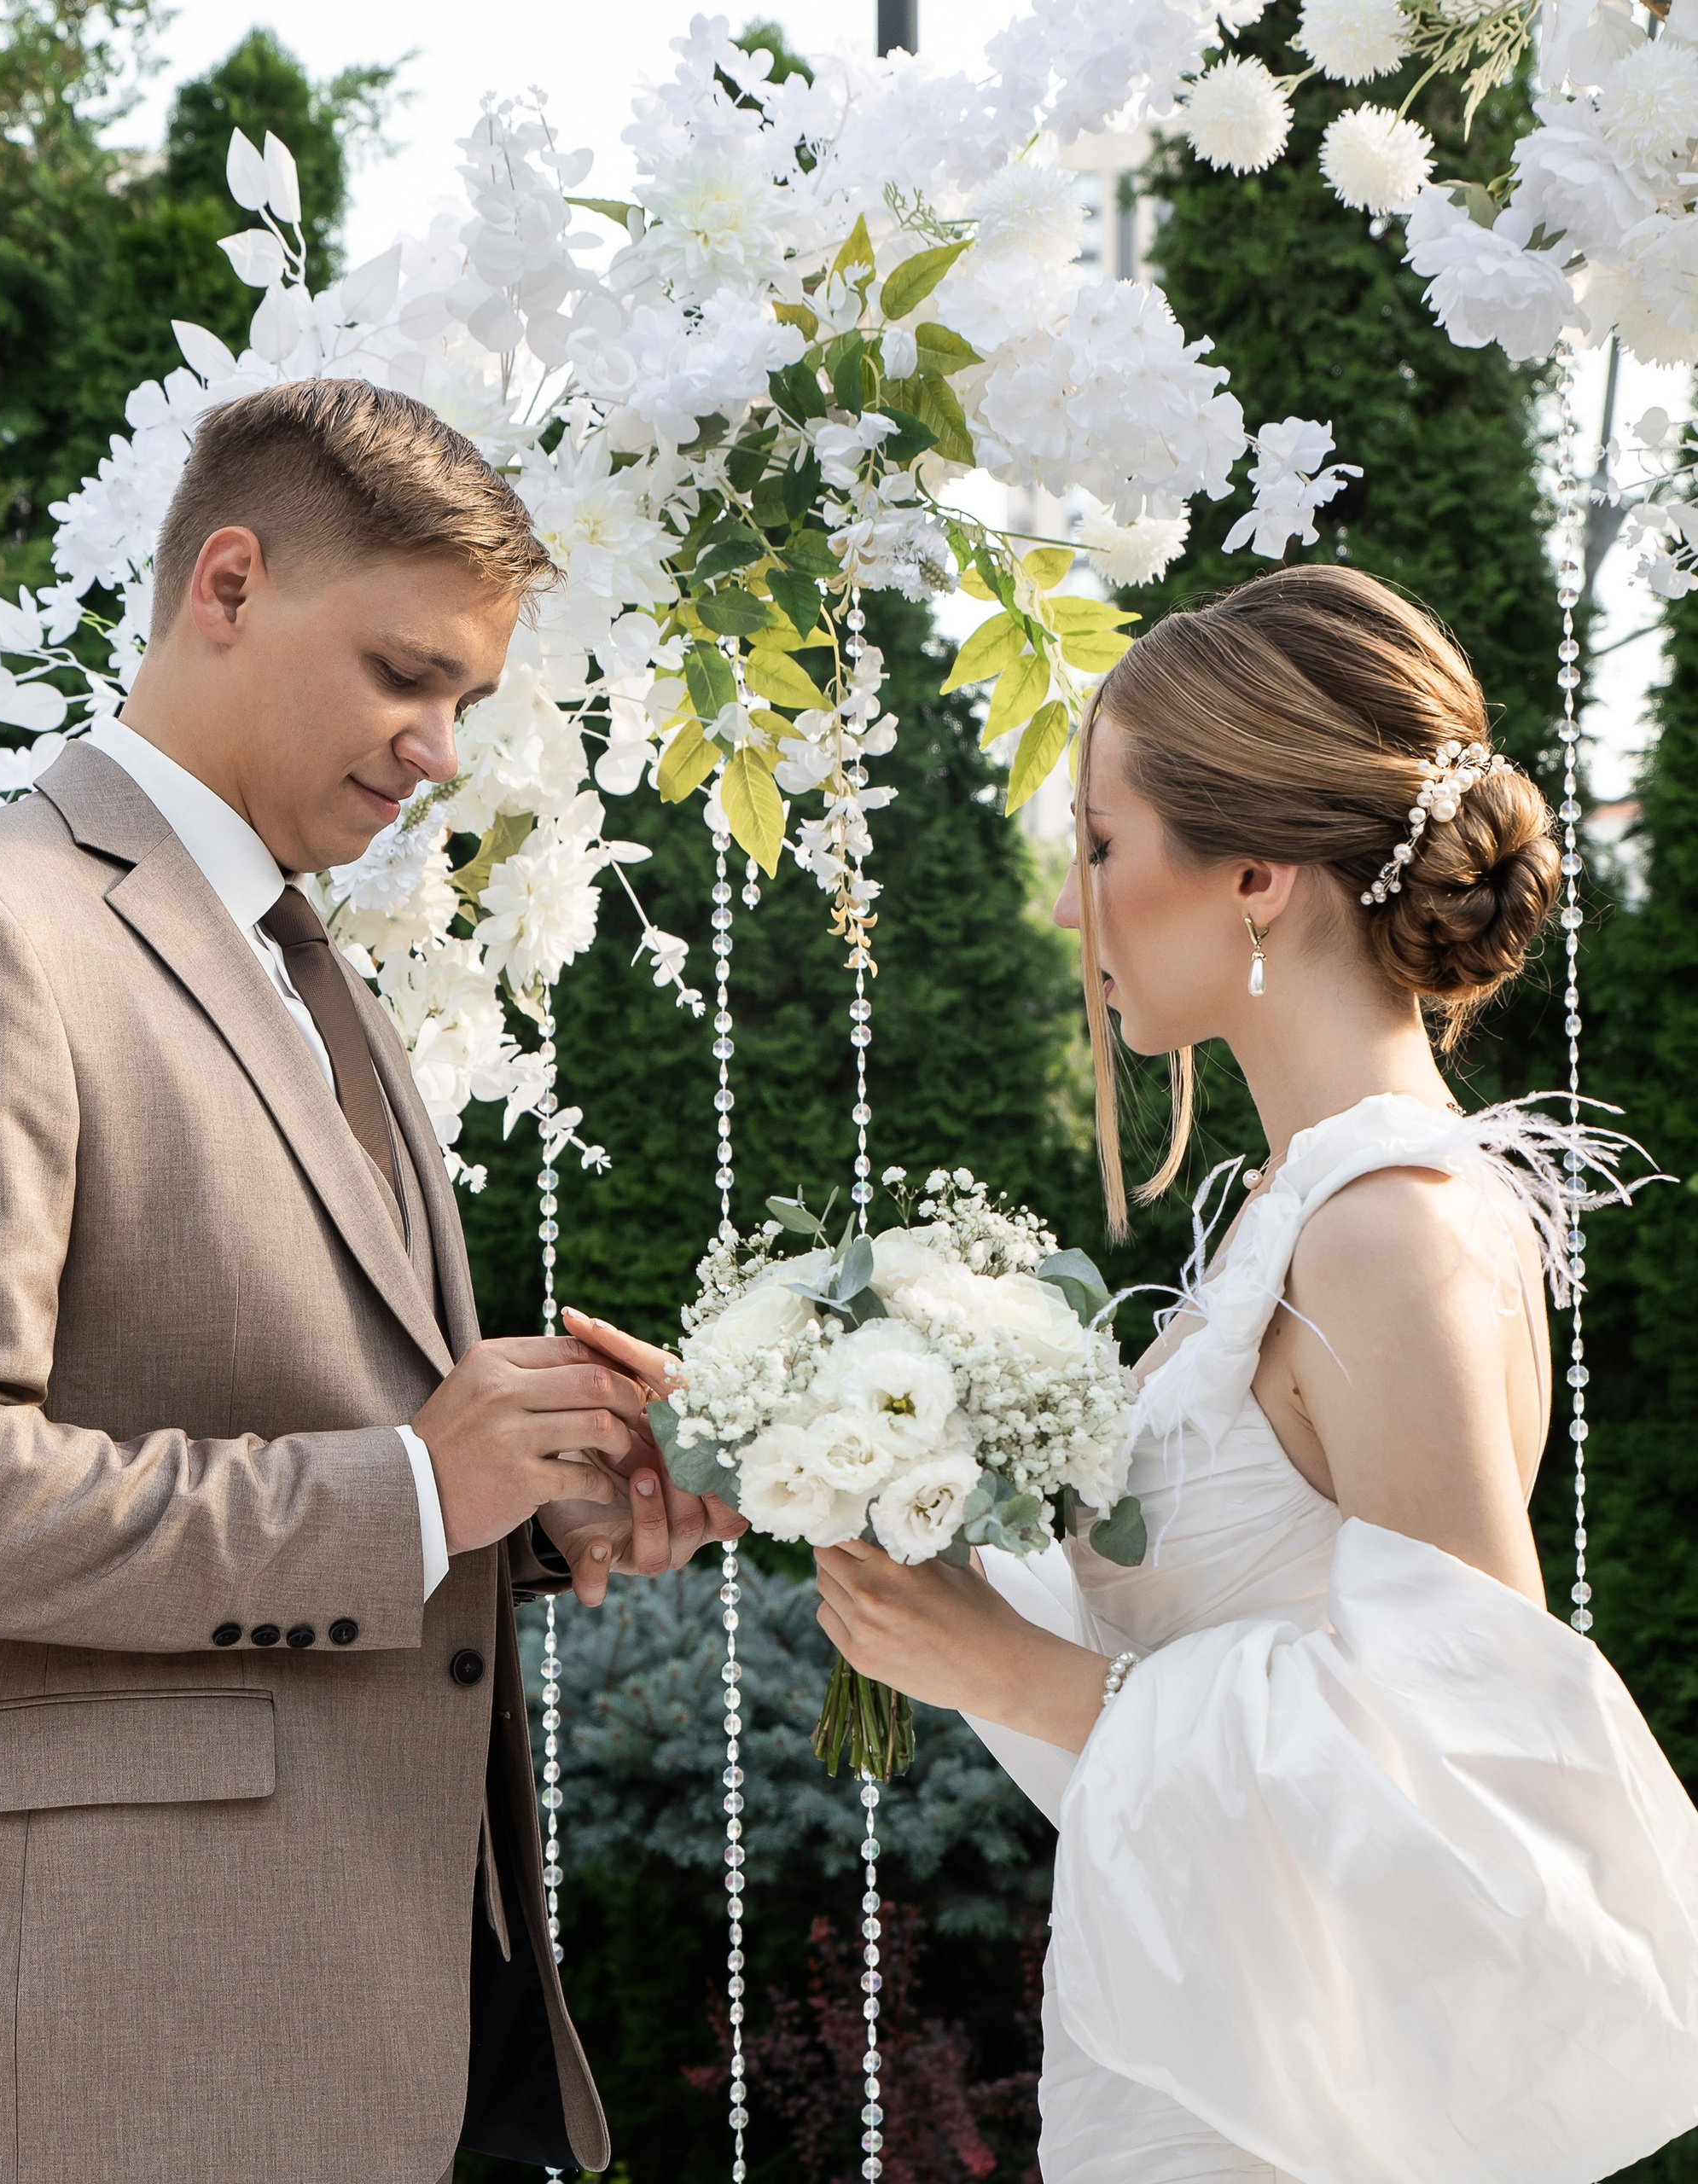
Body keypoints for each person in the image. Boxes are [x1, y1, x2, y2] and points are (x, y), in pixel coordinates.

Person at [584, 565, 1698, 2184]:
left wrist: (1030, 1682)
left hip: (1288, 2121)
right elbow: (1148, 1635)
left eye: (1102, 848)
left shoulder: (1392, 1231)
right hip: (1183, 2040)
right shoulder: (1292, 1212)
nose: (1066, 903)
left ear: (1256, 874)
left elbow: (1474, 1778)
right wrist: (773, 1444)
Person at [0, 378, 737, 2184]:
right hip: (117, 2050)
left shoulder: (304, 963)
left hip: (404, 2017)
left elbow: (309, 1426)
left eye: (465, 700)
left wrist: (534, 1502)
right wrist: (415, 1484)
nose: (437, 745)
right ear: (224, 583)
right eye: (401, 674)